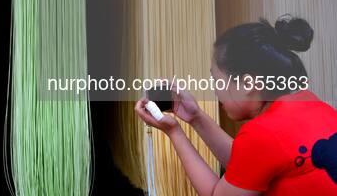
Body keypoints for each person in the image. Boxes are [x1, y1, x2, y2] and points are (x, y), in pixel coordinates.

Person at [135, 15, 337, 195]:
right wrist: (196, 117)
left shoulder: (262, 132)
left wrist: (174, 132)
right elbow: (250, 165)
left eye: (217, 80)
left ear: (249, 83)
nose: (215, 90)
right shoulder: (320, 109)